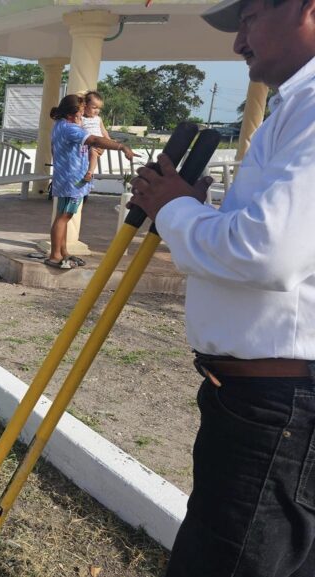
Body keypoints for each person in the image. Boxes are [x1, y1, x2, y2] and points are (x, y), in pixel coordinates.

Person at [130, 0, 315, 575]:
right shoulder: (293, 106)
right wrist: (190, 208)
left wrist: (178, 210)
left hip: (278, 406)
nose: (239, 43)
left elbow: (268, 252)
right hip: (258, 398)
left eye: (251, 18)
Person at [46, 93, 135, 269]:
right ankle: (55, 256)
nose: (83, 114)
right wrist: (121, 147)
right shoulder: (70, 129)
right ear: (71, 114)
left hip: (65, 177)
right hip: (73, 180)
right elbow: (93, 139)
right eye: (80, 111)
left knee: (63, 216)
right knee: (64, 217)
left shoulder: (60, 125)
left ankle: (63, 252)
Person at [81, 90, 110, 186]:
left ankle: (90, 172)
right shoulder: (81, 118)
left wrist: (108, 140)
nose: (97, 110)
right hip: (86, 144)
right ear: (85, 106)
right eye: (94, 107)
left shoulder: (98, 119)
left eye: (99, 108)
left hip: (97, 144)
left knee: (93, 153)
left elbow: (103, 131)